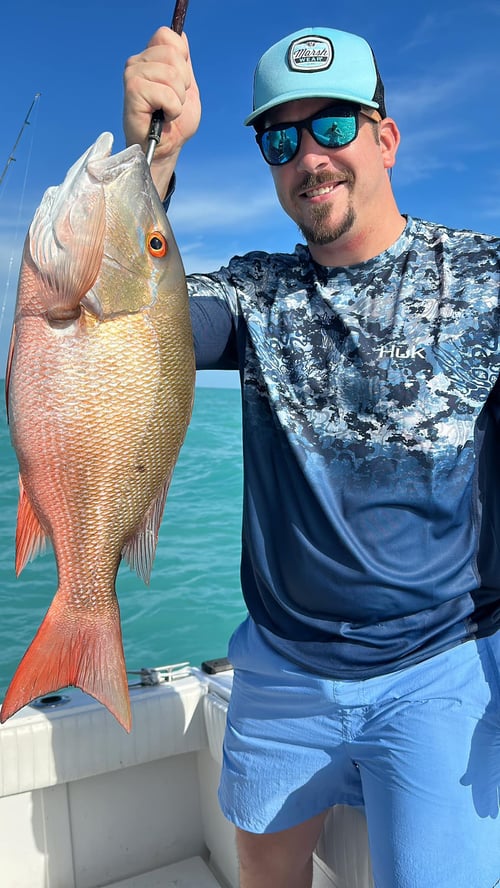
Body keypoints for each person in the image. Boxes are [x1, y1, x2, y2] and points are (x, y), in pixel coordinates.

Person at [123, 25, 500, 888]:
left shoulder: (485, 279)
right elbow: (129, 316)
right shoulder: (254, 292)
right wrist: (153, 160)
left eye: (333, 126)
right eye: (281, 138)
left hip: (441, 670)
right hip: (280, 671)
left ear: (386, 137)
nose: (310, 159)